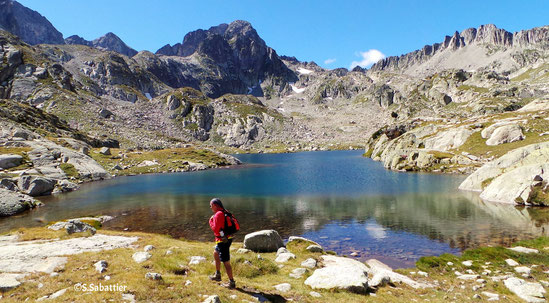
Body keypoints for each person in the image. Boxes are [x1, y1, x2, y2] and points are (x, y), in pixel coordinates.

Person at [208, 198, 236, 289]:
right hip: (228, 238)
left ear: (215, 205)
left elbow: (215, 229)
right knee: (216, 253)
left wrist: (210, 222)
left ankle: (231, 282)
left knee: (226, 262)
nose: (210, 207)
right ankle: (218, 275)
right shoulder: (225, 212)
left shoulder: (218, 214)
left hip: (222, 241)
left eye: (211, 205)